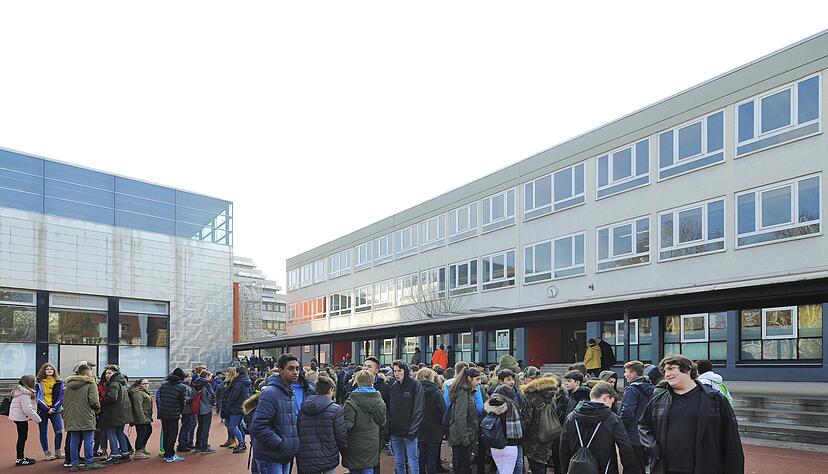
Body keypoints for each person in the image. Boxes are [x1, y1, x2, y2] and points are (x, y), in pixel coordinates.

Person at [638, 355, 744, 474]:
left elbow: (731, 440)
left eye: (671, 368)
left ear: (688, 369)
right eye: (664, 371)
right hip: (665, 469)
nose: (667, 374)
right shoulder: (658, 400)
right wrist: (652, 446)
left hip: (705, 468)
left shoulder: (715, 399)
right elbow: (643, 425)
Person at [560, 382, 639, 474]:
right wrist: (629, 469)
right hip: (605, 469)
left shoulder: (571, 417)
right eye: (611, 402)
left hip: (577, 469)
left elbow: (564, 449)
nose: (611, 407)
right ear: (606, 397)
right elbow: (625, 448)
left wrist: (565, 469)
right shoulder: (612, 419)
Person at [250, 353, 302, 474]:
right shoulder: (270, 393)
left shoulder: (290, 393)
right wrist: (280, 444)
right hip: (271, 457)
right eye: (291, 368)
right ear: (280, 370)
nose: (295, 372)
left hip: (284, 455)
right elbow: (258, 426)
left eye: (297, 369)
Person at [521, 374, 572, 474]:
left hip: (533, 439)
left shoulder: (530, 397)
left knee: (536, 468)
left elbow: (526, 420)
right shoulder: (551, 397)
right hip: (549, 436)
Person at [296, 376, 347, 474]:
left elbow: (298, 431)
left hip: (307, 457)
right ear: (331, 390)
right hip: (329, 456)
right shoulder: (336, 410)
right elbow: (341, 435)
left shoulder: (303, 408)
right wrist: (344, 451)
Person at [343, 370, 387, 474]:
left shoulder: (351, 401)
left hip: (354, 443)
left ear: (357, 382)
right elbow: (382, 422)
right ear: (372, 382)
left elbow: (347, 425)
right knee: (369, 469)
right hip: (372, 443)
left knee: (354, 470)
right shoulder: (379, 401)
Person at [63, 365, 104, 471]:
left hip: (71, 415)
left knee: (74, 440)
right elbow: (94, 402)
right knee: (88, 439)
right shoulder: (91, 384)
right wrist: (98, 409)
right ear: (86, 373)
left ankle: (74, 464)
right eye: (91, 372)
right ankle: (89, 462)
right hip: (86, 415)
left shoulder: (68, 385)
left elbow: (65, 401)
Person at [388, 360, 424, 474]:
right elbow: (391, 409)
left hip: (410, 433)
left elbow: (419, 409)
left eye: (399, 370)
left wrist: (412, 431)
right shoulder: (393, 386)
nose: (397, 373)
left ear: (406, 371)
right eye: (395, 371)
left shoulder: (415, 385)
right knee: (399, 462)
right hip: (395, 432)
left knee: (413, 461)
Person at [619, 361, 653, 472]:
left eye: (626, 372)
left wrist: (620, 428)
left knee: (631, 468)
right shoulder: (650, 388)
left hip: (631, 436)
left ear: (633, 374)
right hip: (644, 434)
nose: (624, 374)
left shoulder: (631, 390)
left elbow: (627, 412)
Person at [447, 367, 481, 474]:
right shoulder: (463, 392)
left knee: (463, 466)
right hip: (461, 437)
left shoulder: (466, 391)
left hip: (462, 436)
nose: (479, 383)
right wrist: (465, 439)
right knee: (464, 467)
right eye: (477, 379)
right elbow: (460, 417)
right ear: (470, 378)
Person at [484, 384, 523, 474]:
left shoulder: (490, 407)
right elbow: (521, 427)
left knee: (501, 471)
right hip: (510, 445)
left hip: (494, 445)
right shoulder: (512, 407)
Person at [414, 368, 445, 474]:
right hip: (435, 430)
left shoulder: (415, 391)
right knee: (432, 459)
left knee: (421, 458)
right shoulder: (436, 392)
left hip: (419, 429)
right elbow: (443, 412)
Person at [99, 367, 133, 464]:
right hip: (121, 413)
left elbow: (112, 397)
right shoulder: (121, 383)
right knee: (119, 433)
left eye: (109, 373)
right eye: (106, 373)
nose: (107, 375)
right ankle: (125, 454)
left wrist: (101, 401)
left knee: (111, 433)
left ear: (115, 373)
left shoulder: (113, 384)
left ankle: (114, 456)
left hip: (113, 413)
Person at [10, 375, 42, 466]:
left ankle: (20, 457)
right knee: (22, 438)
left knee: (22, 437)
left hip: (18, 416)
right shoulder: (24, 394)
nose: (35, 383)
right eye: (34, 381)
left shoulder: (20, 391)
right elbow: (27, 409)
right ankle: (19, 459)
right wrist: (38, 419)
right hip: (20, 417)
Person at [35, 363, 65, 461]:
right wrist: (47, 409)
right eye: (47, 369)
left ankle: (58, 451)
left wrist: (54, 408)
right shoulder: (38, 383)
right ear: (43, 371)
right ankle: (47, 453)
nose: (49, 370)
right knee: (43, 432)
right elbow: (38, 398)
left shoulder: (59, 382)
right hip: (43, 410)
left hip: (55, 410)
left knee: (59, 431)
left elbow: (61, 397)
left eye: (51, 369)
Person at [158, 367, 188, 463]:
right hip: (174, 413)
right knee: (172, 435)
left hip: (163, 412)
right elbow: (182, 402)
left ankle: (167, 453)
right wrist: (180, 412)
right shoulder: (182, 387)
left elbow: (161, 398)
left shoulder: (164, 385)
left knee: (166, 434)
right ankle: (170, 455)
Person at [222, 365, 252, 453]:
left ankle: (242, 444)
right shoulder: (246, 381)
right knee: (237, 425)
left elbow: (234, 396)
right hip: (241, 406)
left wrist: (228, 406)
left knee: (232, 425)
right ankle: (241, 442)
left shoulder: (238, 382)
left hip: (236, 407)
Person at [128, 378, 153, 460]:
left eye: (147, 383)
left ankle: (142, 448)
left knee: (148, 431)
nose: (146, 385)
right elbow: (137, 407)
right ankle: (138, 451)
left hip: (146, 416)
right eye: (144, 383)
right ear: (139, 385)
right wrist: (141, 419)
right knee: (141, 434)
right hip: (141, 418)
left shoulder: (143, 392)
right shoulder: (137, 393)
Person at [193, 370, 217, 454]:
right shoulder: (207, 384)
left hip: (198, 407)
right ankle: (204, 446)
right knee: (206, 428)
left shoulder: (196, 383)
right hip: (206, 408)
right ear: (206, 376)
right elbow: (212, 395)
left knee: (200, 427)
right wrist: (212, 402)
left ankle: (198, 445)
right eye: (210, 376)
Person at [177, 375, 196, 452]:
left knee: (189, 426)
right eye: (189, 377)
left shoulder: (188, 386)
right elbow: (183, 398)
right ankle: (182, 443)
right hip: (186, 409)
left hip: (189, 409)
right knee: (185, 427)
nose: (190, 378)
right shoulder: (184, 387)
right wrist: (192, 399)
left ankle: (185, 442)